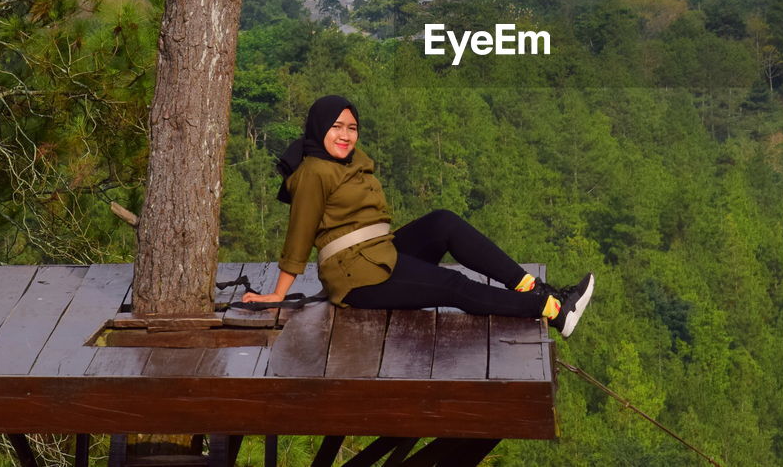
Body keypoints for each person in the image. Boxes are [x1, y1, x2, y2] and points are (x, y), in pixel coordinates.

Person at [242, 95, 594, 337]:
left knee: (443, 222)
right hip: (358, 276)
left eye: (352, 127)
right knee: (453, 286)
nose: (346, 135)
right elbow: (299, 235)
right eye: (336, 127)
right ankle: (552, 310)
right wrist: (277, 294)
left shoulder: (350, 162)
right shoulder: (315, 172)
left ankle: (534, 286)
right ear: (319, 128)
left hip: (379, 252)